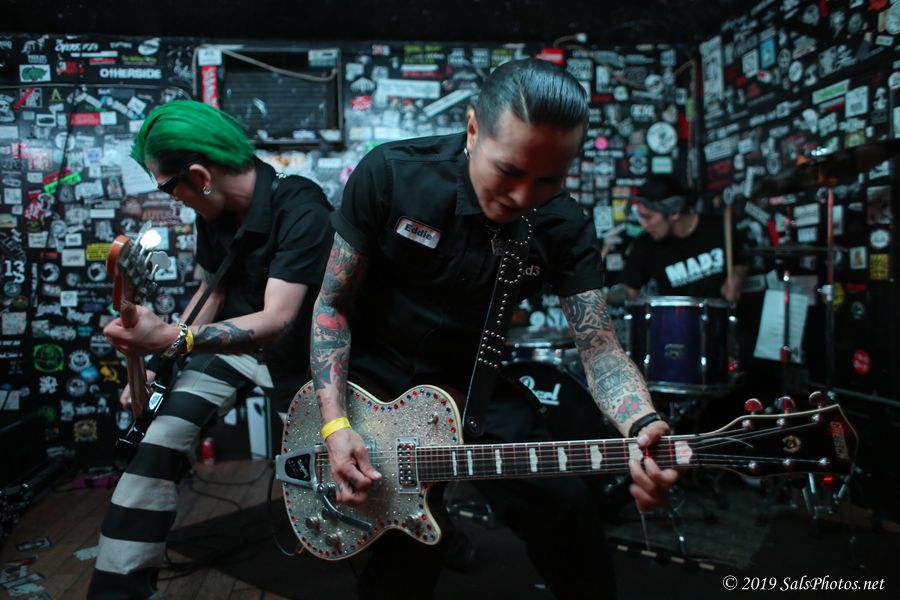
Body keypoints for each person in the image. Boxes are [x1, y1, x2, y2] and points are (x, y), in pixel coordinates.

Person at [310, 58, 677, 600]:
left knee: (568, 512)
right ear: (473, 128)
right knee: (401, 558)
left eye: (548, 180)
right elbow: (333, 307)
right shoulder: (393, 174)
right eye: (509, 171)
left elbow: (598, 346)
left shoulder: (563, 224)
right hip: (375, 382)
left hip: (473, 384)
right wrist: (335, 424)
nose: (524, 196)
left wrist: (640, 423)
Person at [88, 100, 333, 599]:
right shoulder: (215, 210)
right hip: (230, 348)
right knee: (154, 444)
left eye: (168, 187)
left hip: (300, 358)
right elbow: (212, 291)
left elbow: (277, 320)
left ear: (199, 176)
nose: (173, 199)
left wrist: (171, 338)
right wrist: (162, 361)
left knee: (327, 481)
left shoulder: (302, 208)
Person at [617, 175, 748, 302]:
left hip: (722, 315)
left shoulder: (719, 229)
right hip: (674, 316)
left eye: (648, 217)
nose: (644, 225)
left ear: (674, 213)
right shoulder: (645, 244)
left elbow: (742, 261)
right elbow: (629, 291)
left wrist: (737, 277)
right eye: (641, 217)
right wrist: (609, 296)